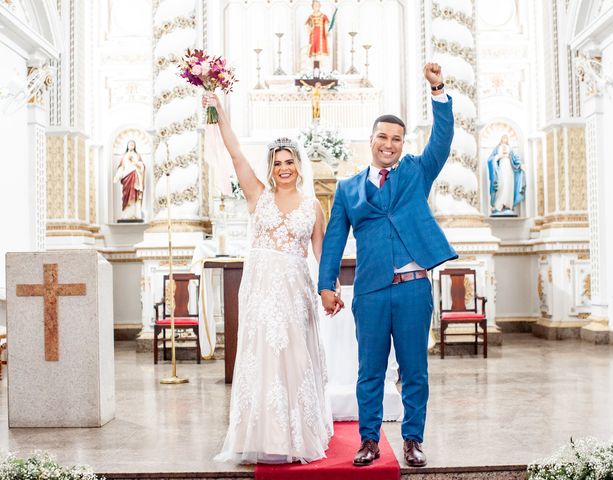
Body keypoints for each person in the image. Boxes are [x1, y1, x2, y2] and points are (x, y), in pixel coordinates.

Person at [318, 63, 456, 468]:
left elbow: (442, 140)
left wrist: (438, 91)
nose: (390, 144)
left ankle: (413, 439)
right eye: (383, 136)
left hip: (413, 287)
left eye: (397, 138)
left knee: (414, 370)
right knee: (370, 372)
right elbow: (333, 240)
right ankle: (369, 441)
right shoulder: (347, 189)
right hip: (372, 291)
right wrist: (327, 284)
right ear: (371, 140)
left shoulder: (416, 171)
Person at [202, 92, 335, 464]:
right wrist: (219, 113)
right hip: (260, 293)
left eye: (289, 161)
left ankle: (295, 437)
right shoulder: (257, 195)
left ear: (299, 165)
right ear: (271, 167)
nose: (284, 168)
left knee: (294, 358)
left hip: (295, 292)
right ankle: (258, 435)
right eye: (278, 163)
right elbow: (235, 155)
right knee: (261, 358)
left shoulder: (313, 207)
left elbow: (322, 256)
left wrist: (330, 290)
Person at [487, 134, 526, 215]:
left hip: (509, 168)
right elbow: (490, 159)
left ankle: (508, 205)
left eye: (506, 138)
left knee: (509, 185)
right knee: (501, 185)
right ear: (501, 139)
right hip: (501, 167)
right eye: (503, 138)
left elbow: (515, 158)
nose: (505, 139)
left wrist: (520, 165)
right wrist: (499, 156)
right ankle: (499, 205)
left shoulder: (510, 149)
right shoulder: (497, 148)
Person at [113, 140, 145, 220]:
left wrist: (136, 163)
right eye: (130, 144)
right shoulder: (124, 156)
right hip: (126, 178)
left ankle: (136, 214)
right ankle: (127, 214)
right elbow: (121, 167)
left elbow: (142, 166)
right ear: (127, 146)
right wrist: (117, 176)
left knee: (134, 194)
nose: (131, 145)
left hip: (134, 175)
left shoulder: (137, 155)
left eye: (133, 144)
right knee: (126, 195)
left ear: (134, 146)